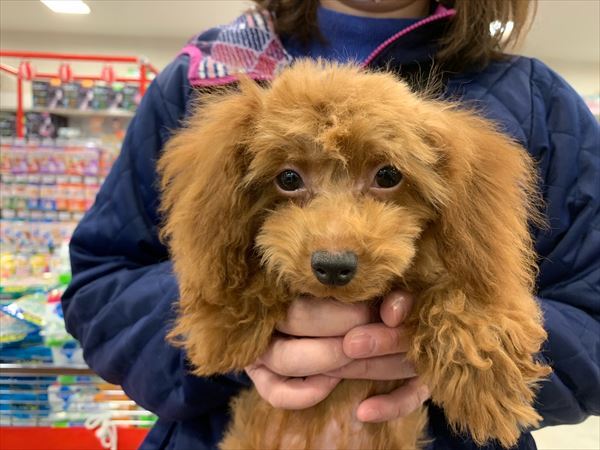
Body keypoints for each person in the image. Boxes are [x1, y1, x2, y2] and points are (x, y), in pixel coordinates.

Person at [61, 1, 600, 449]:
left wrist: (460, 342)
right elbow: (99, 288)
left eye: (385, 177)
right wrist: (231, 325)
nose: (336, 241)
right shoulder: (200, 76)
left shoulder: (538, 101)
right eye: (290, 180)